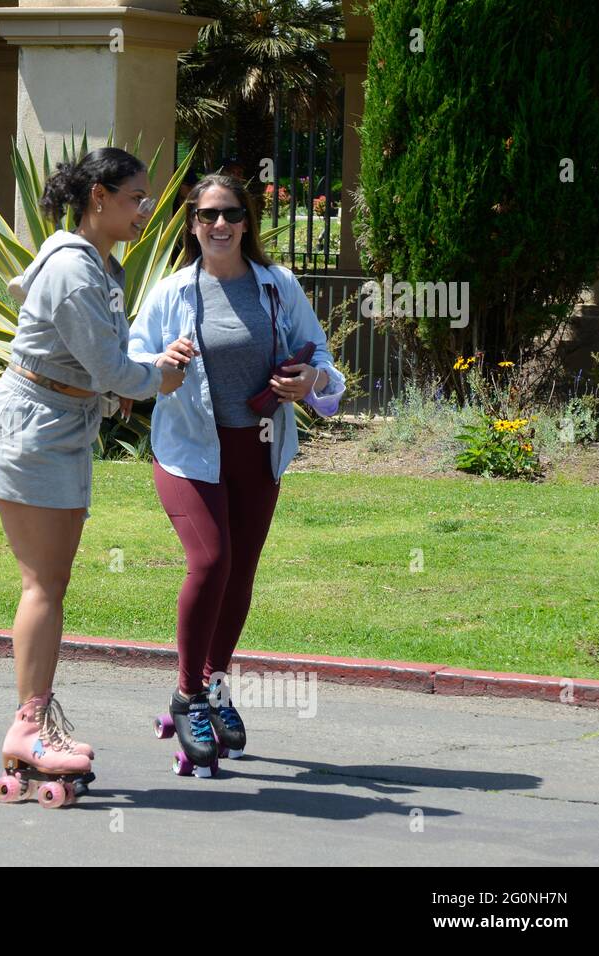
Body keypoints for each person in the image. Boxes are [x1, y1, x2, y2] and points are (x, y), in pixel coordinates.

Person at [0, 147, 186, 805]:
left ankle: (31, 725)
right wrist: (158, 378)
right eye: (136, 198)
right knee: (43, 584)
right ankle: (30, 728)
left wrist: (138, 372)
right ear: (99, 197)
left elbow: (99, 361)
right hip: (34, 433)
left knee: (50, 583)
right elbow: (109, 370)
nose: (145, 210)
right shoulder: (73, 269)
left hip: (55, 427)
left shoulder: (96, 266)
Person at [128, 173, 345, 777]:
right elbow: (131, 359)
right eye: (205, 215)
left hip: (260, 449)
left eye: (228, 214)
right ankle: (187, 694)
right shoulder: (173, 292)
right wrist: (158, 362)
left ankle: (215, 686)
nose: (217, 225)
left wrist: (313, 382)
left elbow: (322, 358)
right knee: (211, 562)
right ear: (191, 224)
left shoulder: (278, 288)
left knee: (240, 575)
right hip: (190, 451)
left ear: (246, 222)